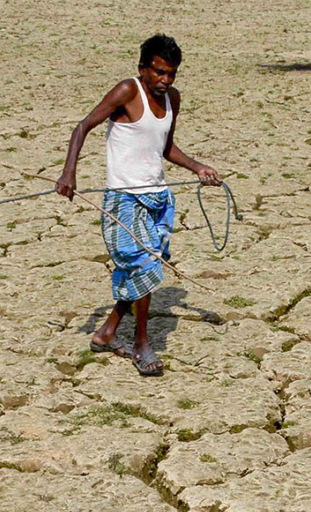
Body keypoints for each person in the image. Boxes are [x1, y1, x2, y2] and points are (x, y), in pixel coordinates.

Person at [56, 34, 220, 376]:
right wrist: (69, 172)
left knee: (145, 270)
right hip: (123, 201)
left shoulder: (172, 98)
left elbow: (166, 147)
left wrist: (199, 167)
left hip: (159, 199)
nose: (165, 80)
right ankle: (143, 344)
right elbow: (83, 126)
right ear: (143, 68)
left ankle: (108, 332)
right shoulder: (127, 91)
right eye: (159, 72)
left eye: (171, 73)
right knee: (145, 269)